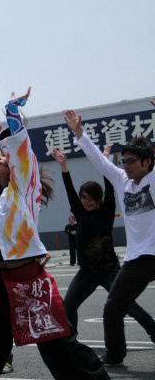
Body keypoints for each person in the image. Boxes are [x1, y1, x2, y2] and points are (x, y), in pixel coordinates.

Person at [0, 88, 109, 380]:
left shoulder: (24, 188)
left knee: (59, 347)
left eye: (3, 155)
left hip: (29, 280)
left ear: (14, 165)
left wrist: (12, 112)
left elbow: (22, 151)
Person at [65, 103, 155, 365]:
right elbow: (98, 160)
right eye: (123, 161)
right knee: (113, 308)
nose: (125, 166)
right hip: (137, 259)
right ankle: (115, 355)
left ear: (147, 162)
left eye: (131, 161)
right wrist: (79, 134)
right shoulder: (121, 180)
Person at [51, 147, 155, 349]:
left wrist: (105, 162)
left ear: (99, 198)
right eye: (84, 198)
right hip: (86, 272)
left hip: (108, 269)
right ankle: (71, 343)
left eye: (91, 198)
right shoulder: (80, 212)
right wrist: (64, 166)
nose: (86, 202)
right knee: (68, 306)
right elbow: (69, 190)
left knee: (128, 306)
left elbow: (109, 183)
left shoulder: (107, 210)